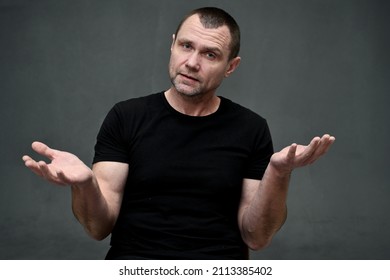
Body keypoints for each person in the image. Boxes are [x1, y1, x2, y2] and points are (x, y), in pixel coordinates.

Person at [22, 7, 335, 259]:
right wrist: (85, 185)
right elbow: (98, 227)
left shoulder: (250, 128)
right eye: (186, 46)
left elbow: (256, 236)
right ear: (172, 44)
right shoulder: (126, 117)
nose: (192, 62)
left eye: (210, 54)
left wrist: (278, 173)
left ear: (231, 66)